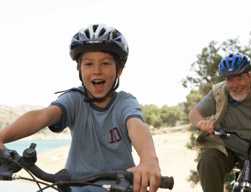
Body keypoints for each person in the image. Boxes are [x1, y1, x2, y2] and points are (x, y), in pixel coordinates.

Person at [0, 24, 161, 192]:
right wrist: (1, 137)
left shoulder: (124, 102)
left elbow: (137, 125)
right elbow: (43, 116)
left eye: (105, 63)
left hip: (120, 186)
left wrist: (149, 160)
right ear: (79, 69)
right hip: (73, 186)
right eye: (89, 64)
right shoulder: (74, 99)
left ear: (118, 70)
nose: (97, 71)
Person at [189, 52, 251, 192]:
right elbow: (194, 114)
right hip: (226, 148)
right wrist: (201, 123)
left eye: (239, 78)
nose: (235, 85)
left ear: (250, 76)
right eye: (230, 79)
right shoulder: (219, 92)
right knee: (207, 161)